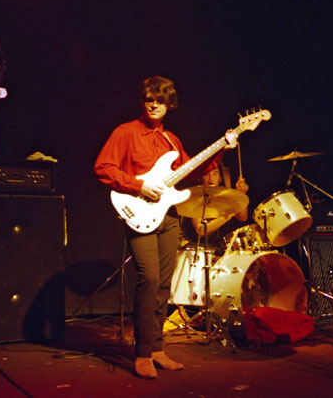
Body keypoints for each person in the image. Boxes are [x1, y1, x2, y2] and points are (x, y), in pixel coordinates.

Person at [93, 76, 236, 379]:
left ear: (169, 104)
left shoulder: (172, 140)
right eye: (149, 99)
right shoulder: (125, 132)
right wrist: (139, 186)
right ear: (143, 102)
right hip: (138, 212)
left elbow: (192, 170)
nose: (155, 104)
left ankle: (157, 349)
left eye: (160, 100)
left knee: (163, 284)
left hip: (168, 217)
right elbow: (103, 167)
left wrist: (222, 147)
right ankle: (142, 352)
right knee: (149, 277)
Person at [180, 161, 250, 252]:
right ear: (200, 178)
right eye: (206, 174)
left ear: (220, 179)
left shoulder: (223, 198)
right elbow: (200, 230)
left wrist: (241, 194)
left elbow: (242, 217)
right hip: (195, 250)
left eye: (215, 174)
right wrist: (226, 217)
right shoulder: (194, 198)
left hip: (218, 248)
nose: (210, 178)